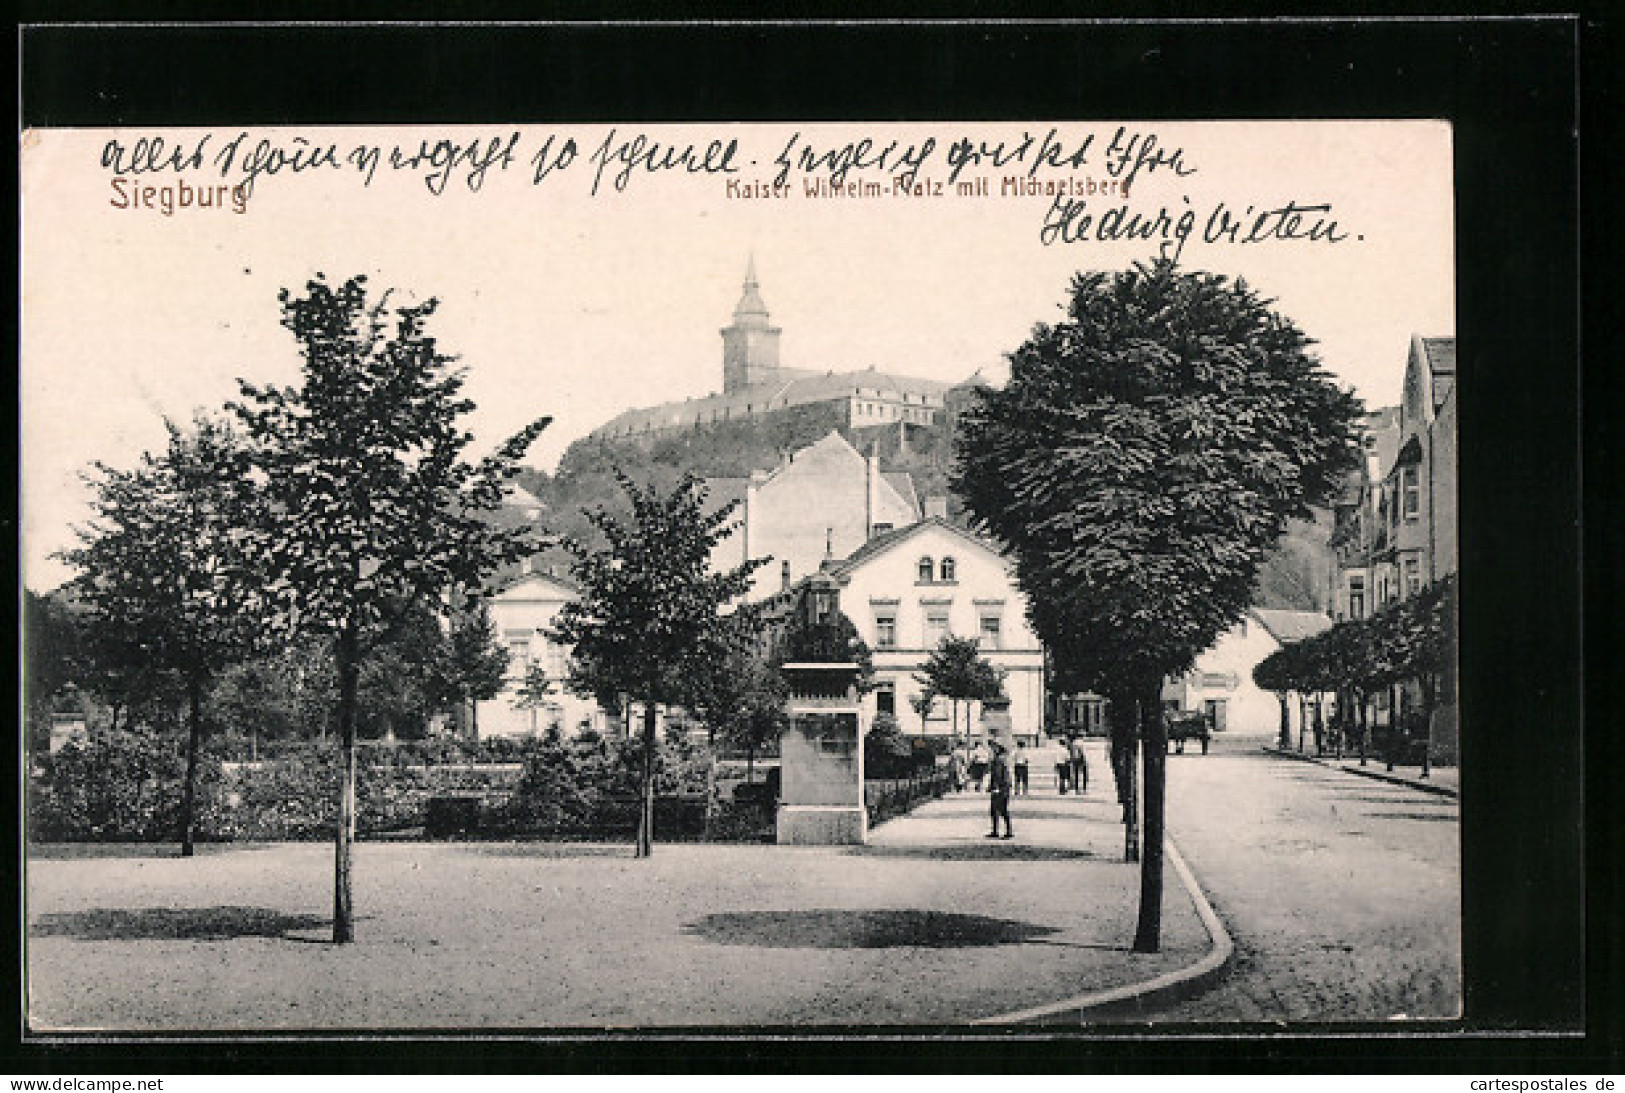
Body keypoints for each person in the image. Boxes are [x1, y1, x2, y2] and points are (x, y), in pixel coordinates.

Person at [986, 740, 1014, 839]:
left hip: (1001, 787)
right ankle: (998, 830)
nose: (991, 749)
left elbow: (997, 775)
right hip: (1004, 786)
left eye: (993, 747)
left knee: (999, 809)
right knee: (998, 809)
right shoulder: (1003, 759)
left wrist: (995, 787)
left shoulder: (998, 760)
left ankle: (1006, 831)